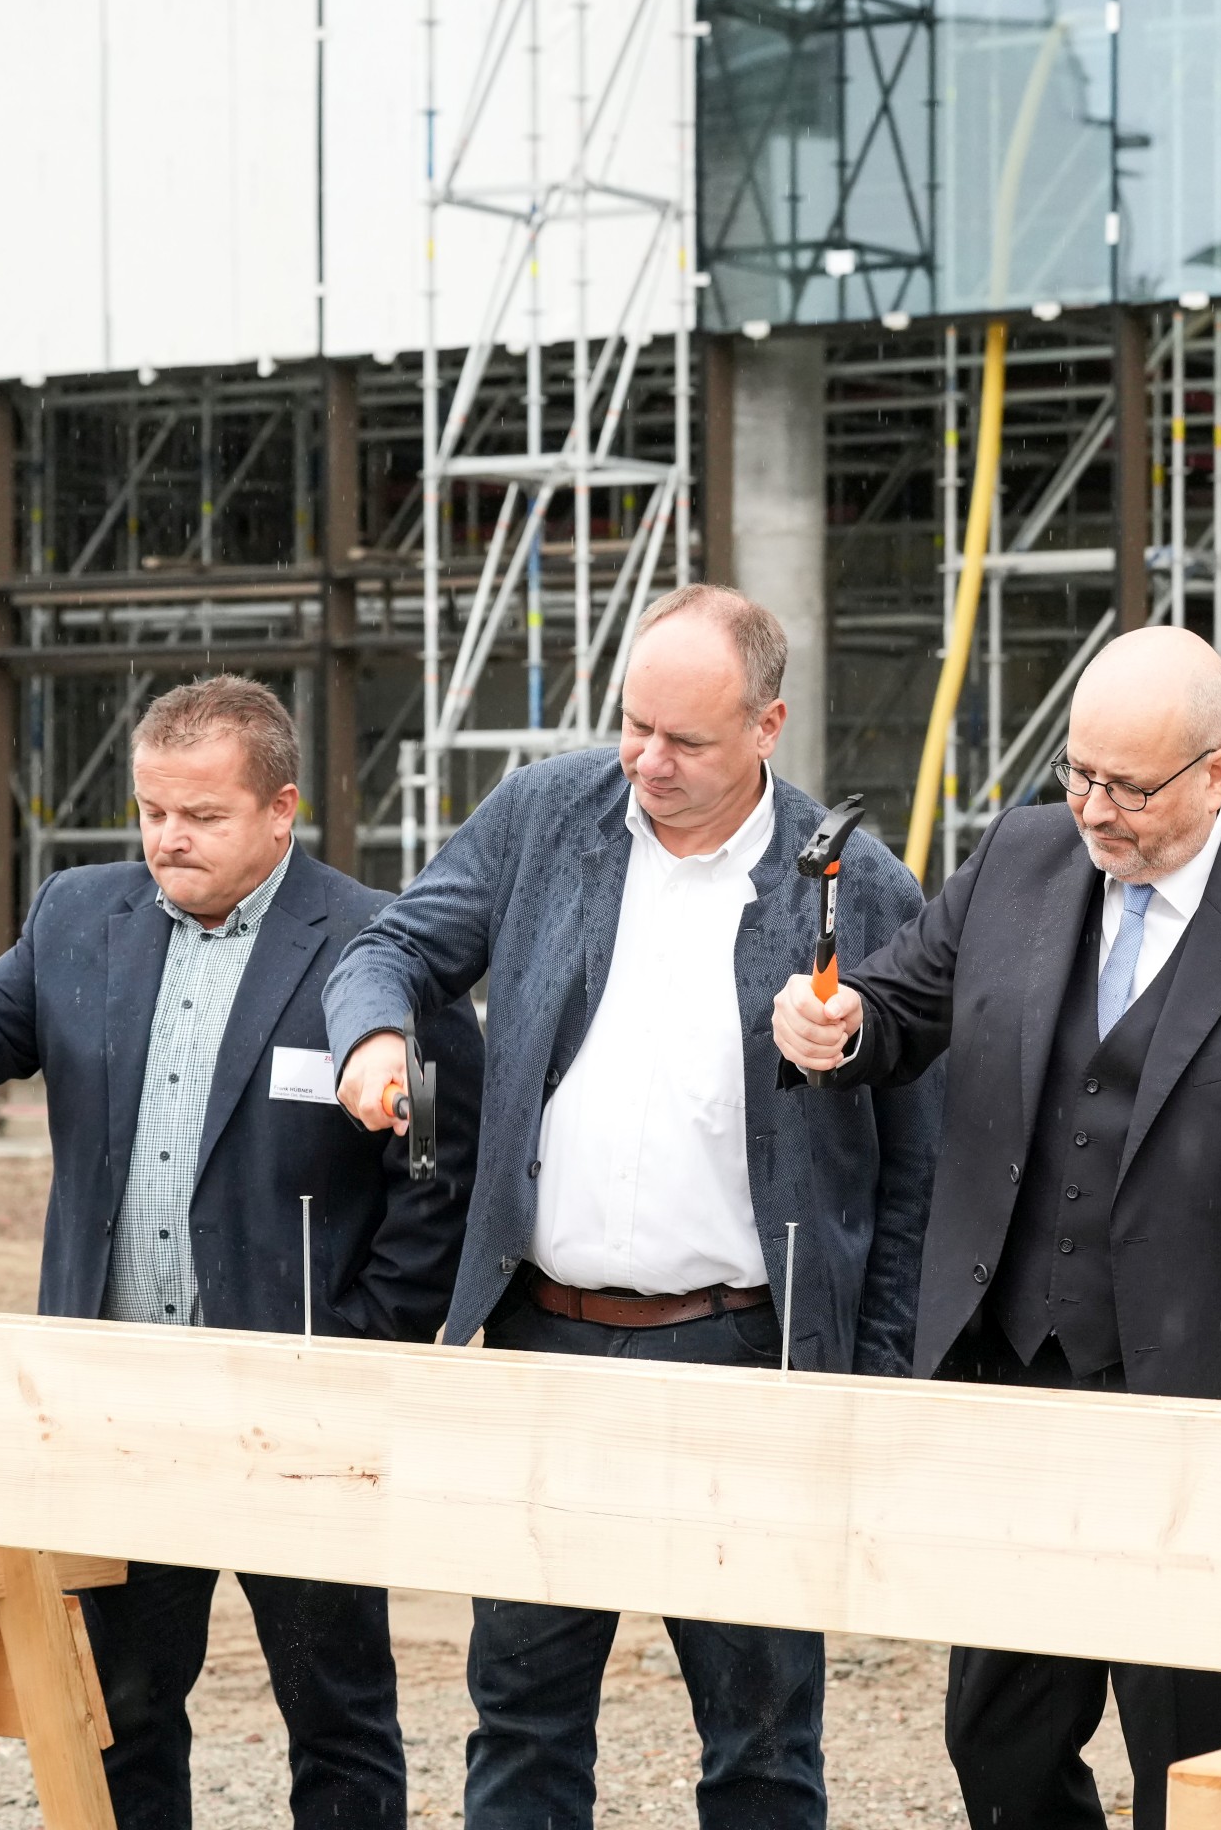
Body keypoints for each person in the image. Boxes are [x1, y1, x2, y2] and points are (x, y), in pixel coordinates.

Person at [772, 625, 1221, 1830]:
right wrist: (841, 1024)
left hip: (1203, 1409)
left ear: (1218, 774)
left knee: (1201, 1757)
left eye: (1131, 786)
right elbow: (906, 1000)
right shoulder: (1020, 853)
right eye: (1079, 773)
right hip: (1013, 1377)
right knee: (997, 1736)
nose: (1095, 809)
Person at [321, 583, 940, 1830]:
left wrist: (864, 1381)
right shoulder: (549, 815)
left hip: (747, 1356)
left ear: (768, 726)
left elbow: (912, 1161)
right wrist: (374, 1037)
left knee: (762, 1737)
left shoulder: (856, 882)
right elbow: (393, 946)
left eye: (686, 740)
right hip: (543, 1339)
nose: (646, 760)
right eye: (632, 725)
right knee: (523, 1714)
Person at [0, 673, 479, 1830]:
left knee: (337, 1713)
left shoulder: (374, 943)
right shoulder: (77, 911)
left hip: (299, 1403)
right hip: (116, 1400)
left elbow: (440, 1177)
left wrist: (362, 1341)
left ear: (280, 810)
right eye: (152, 810)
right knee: (124, 1705)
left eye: (201, 815)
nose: (167, 838)